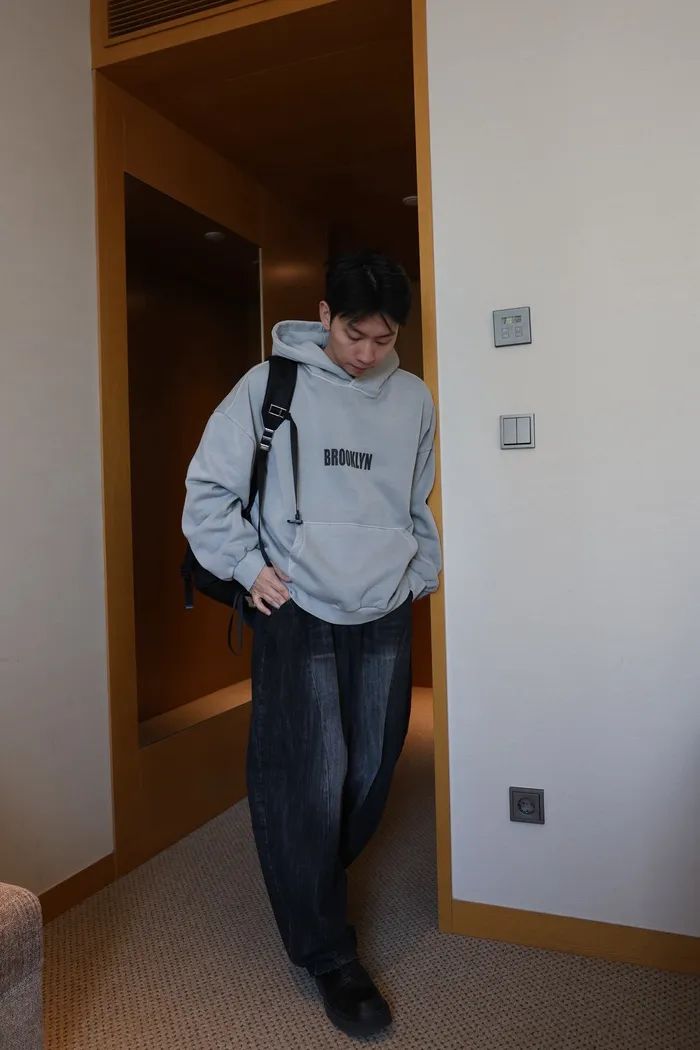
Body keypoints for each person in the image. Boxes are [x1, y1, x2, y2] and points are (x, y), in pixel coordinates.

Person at [183, 250, 442, 1038]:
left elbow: (414, 498)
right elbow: (208, 492)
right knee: (307, 779)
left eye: (383, 338)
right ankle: (328, 952)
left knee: (370, 771)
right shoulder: (269, 386)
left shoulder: (413, 398)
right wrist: (247, 567)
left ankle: (311, 882)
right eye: (354, 333)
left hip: (384, 604)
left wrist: (421, 571)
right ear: (325, 315)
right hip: (296, 605)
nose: (366, 352)